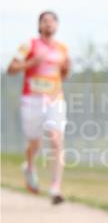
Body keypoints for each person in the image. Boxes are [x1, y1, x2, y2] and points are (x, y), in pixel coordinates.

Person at [7, 11, 71, 204]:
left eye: (52, 21)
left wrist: (66, 68)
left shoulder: (62, 49)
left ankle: (55, 188)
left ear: (57, 26)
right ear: (39, 25)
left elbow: (63, 75)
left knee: (56, 138)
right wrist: (31, 63)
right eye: (45, 21)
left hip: (54, 99)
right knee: (35, 143)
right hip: (32, 100)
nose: (49, 24)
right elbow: (11, 69)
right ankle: (29, 167)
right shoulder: (29, 45)